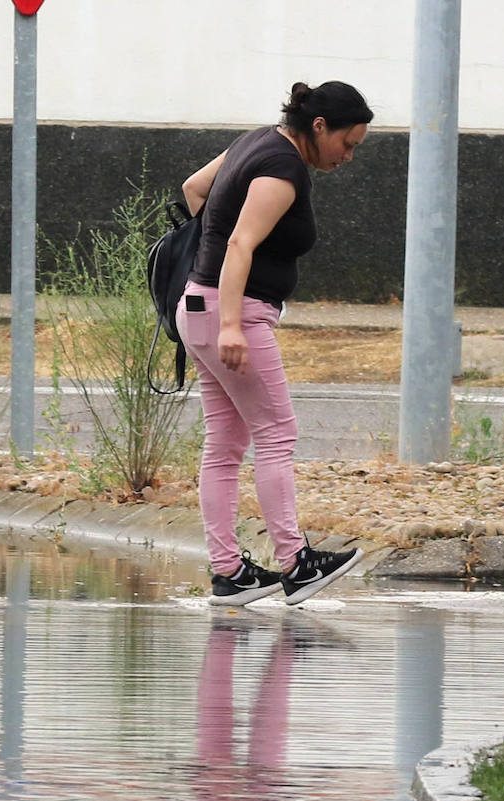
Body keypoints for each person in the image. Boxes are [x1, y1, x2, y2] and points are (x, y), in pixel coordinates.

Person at [177, 80, 374, 607]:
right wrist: (232, 324)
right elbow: (241, 242)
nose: (349, 156)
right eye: (347, 143)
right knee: (277, 431)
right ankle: (296, 563)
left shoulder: (255, 141)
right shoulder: (283, 169)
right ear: (319, 127)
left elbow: (194, 187)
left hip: (197, 305)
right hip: (229, 312)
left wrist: (208, 260)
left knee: (224, 445)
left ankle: (230, 573)